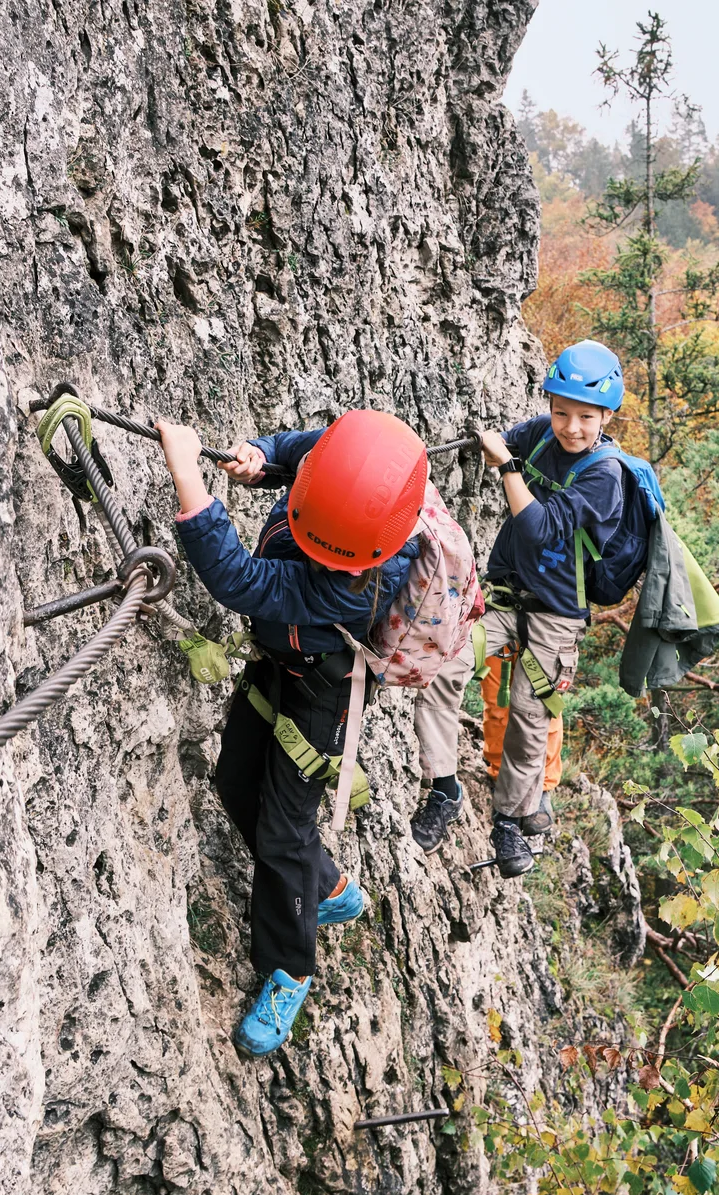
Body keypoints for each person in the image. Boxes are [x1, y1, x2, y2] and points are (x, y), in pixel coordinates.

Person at [156, 410, 427, 1055]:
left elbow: (242, 581)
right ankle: (329, 886)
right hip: (277, 663)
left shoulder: (361, 580)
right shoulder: (349, 460)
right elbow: (299, 449)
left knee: (284, 832)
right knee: (233, 781)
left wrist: (186, 473)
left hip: (323, 692)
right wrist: (260, 454)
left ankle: (291, 968)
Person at [410, 341, 646, 876]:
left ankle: (511, 821)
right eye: (561, 411)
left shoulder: (605, 475)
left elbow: (537, 531)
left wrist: (508, 465)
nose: (571, 427)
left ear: (606, 416)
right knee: (441, 671)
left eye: (586, 416)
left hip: (557, 613)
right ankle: (444, 789)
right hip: (502, 594)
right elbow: (497, 444)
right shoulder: (538, 436)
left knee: (529, 717)